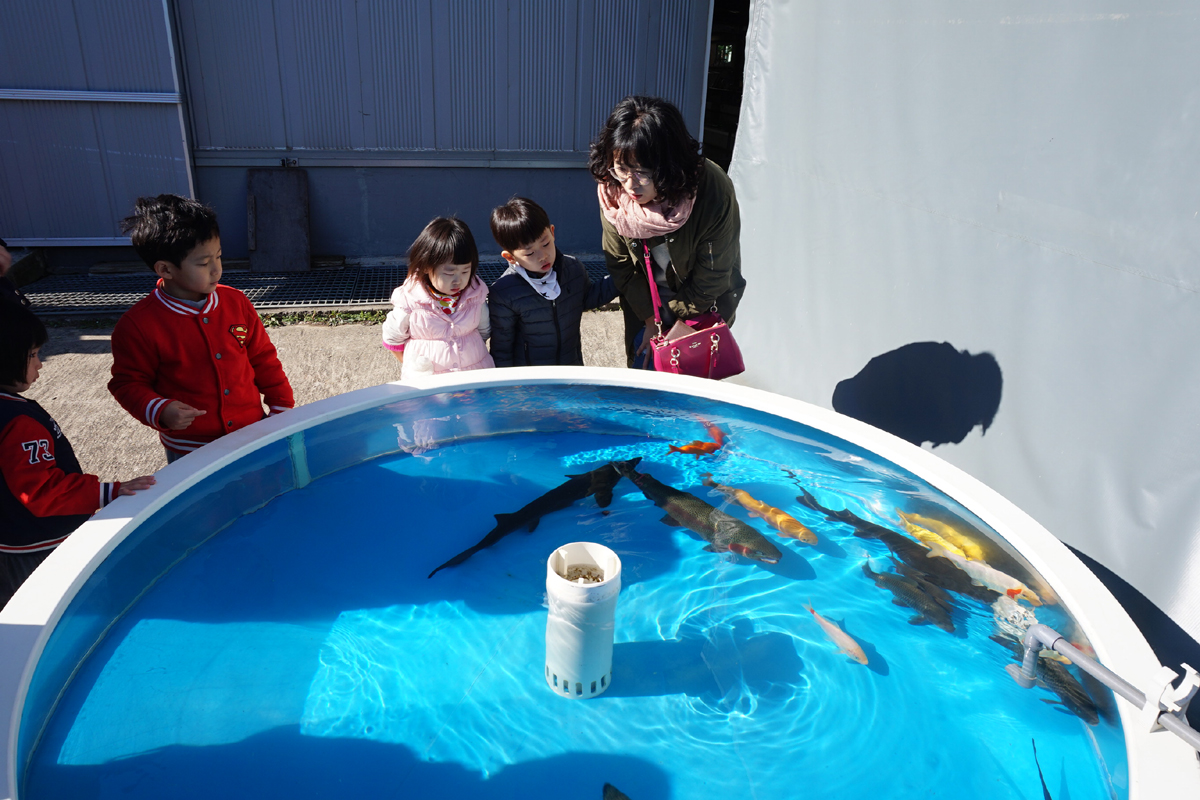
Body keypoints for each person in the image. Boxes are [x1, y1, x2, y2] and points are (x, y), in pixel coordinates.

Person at [109, 195, 294, 463]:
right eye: (203, 263)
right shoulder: (138, 325)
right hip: (189, 448)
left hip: (253, 431)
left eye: (218, 256)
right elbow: (127, 382)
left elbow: (263, 358)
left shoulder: (236, 302)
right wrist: (160, 410)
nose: (216, 269)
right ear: (165, 269)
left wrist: (281, 406)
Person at [0, 300, 155, 607]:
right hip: (38, 547)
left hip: (12, 541)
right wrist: (107, 492)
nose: (40, 363)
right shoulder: (19, 422)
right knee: (58, 616)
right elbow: (42, 492)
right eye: (32, 355)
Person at [589, 95, 747, 368]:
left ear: (669, 166)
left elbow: (714, 272)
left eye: (641, 172)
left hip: (702, 304)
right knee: (644, 374)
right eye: (622, 169)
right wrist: (652, 320)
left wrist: (680, 324)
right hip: (646, 306)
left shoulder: (711, 189)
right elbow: (621, 266)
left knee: (692, 387)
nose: (630, 184)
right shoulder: (612, 192)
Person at [487, 197, 616, 367]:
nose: (543, 256)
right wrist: (507, 387)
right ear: (510, 257)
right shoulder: (505, 292)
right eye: (530, 254)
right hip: (531, 382)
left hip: (570, 369)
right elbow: (502, 348)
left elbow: (587, 297)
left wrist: (622, 278)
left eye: (546, 243)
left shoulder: (572, 268)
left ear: (552, 232)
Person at [382, 217, 494, 381]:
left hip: (473, 379)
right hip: (431, 385)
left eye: (465, 271)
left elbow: (483, 332)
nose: (458, 280)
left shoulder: (475, 297)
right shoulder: (410, 302)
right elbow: (392, 337)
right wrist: (413, 367)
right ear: (427, 266)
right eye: (449, 273)